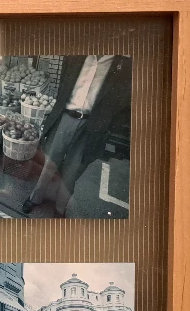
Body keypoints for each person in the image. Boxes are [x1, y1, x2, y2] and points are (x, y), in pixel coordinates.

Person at [21, 55, 133, 218]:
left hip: (92, 125)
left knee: (73, 170)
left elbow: (123, 100)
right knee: (50, 161)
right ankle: (35, 197)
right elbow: (64, 83)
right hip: (66, 116)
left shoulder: (121, 63)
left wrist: (107, 124)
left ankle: (60, 208)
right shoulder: (76, 55)